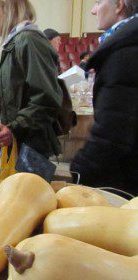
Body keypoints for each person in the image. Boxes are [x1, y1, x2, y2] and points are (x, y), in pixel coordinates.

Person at [0, 0, 63, 159]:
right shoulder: (11, 44)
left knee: (26, 185)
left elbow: (47, 99)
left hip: (30, 147)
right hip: (19, 144)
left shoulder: (30, 40)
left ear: (8, 11)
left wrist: (15, 128)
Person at [70, 0, 138, 195]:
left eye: (98, 2)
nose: (92, 10)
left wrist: (83, 168)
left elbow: (115, 128)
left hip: (125, 180)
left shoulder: (126, 49)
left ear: (119, 5)